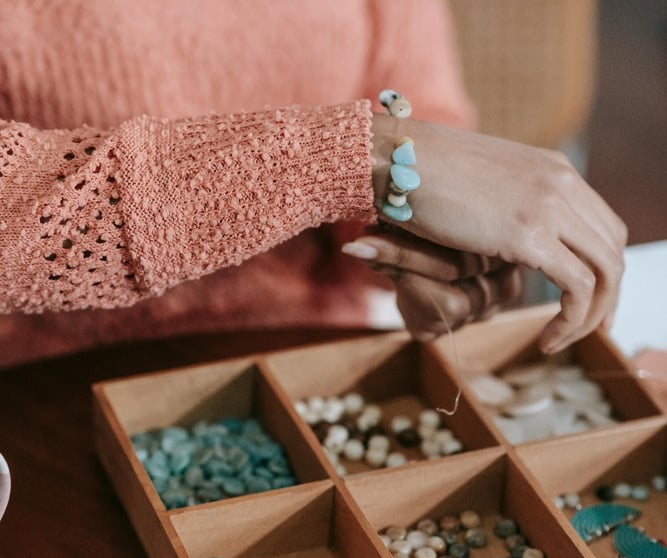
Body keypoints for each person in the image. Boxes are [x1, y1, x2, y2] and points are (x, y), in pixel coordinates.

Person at [0, 0, 626, 367]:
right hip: (46, 388)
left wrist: (418, 250)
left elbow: (415, 111)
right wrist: (357, 156)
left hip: (311, 359)